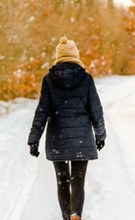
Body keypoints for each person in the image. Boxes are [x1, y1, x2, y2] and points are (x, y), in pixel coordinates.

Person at [27, 36, 106, 220]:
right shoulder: (86, 79)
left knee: (62, 179)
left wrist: (34, 139)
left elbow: (42, 111)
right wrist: (100, 135)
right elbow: (96, 109)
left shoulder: (49, 80)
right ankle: (76, 215)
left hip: (58, 138)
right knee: (77, 180)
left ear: (58, 57)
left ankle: (66, 217)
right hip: (81, 138)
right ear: (76, 56)